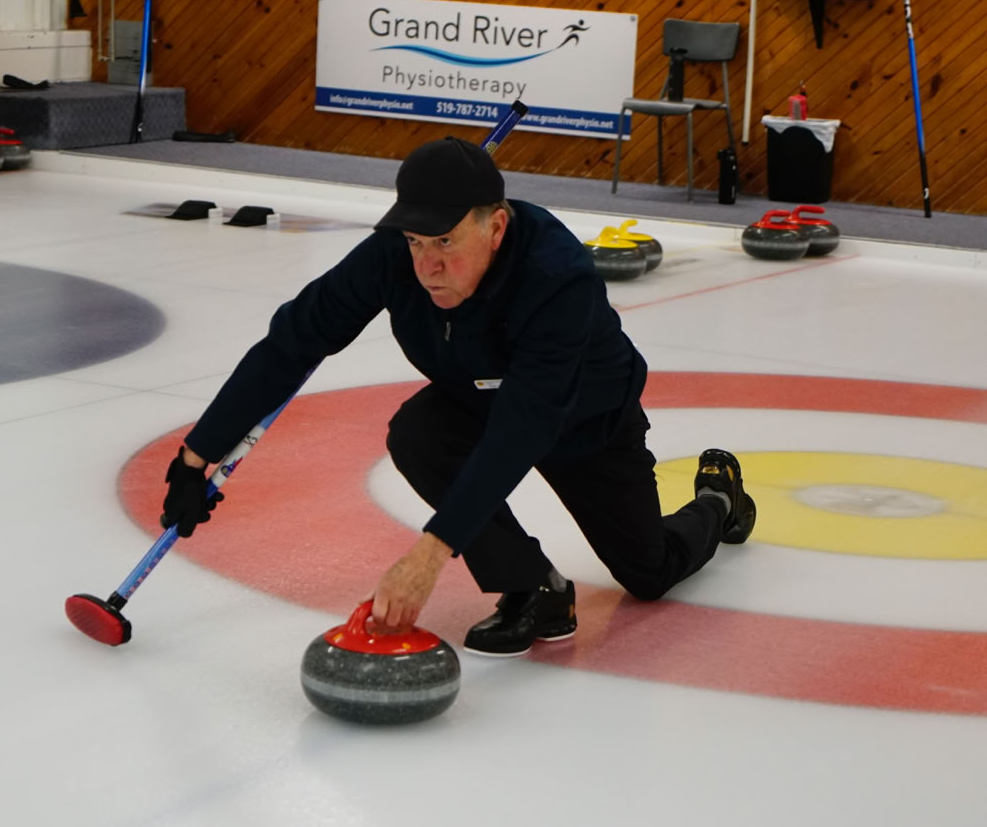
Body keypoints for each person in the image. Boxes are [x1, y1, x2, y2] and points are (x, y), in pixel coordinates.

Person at [160, 136, 755, 657]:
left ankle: (718, 501)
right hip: (477, 402)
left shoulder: (557, 277)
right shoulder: (395, 255)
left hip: (584, 421)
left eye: (444, 241)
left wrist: (432, 551)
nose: (427, 265)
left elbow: (526, 424)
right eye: (416, 241)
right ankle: (533, 587)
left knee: (648, 573)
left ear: (495, 227)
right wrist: (196, 456)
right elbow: (294, 341)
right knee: (418, 432)